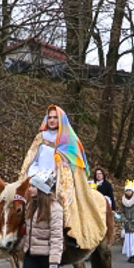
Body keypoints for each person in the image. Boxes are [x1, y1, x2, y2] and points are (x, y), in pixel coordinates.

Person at [21, 106, 106, 250]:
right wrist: (34, 174)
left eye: (55, 117)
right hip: (37, 178)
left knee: (63, 199)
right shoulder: (40, 137)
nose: (52, 120)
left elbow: (72, 162)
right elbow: (31, 160)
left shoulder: (67, 138)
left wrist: (55, 173)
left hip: (58, 179)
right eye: (50, 117)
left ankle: (69, 234)